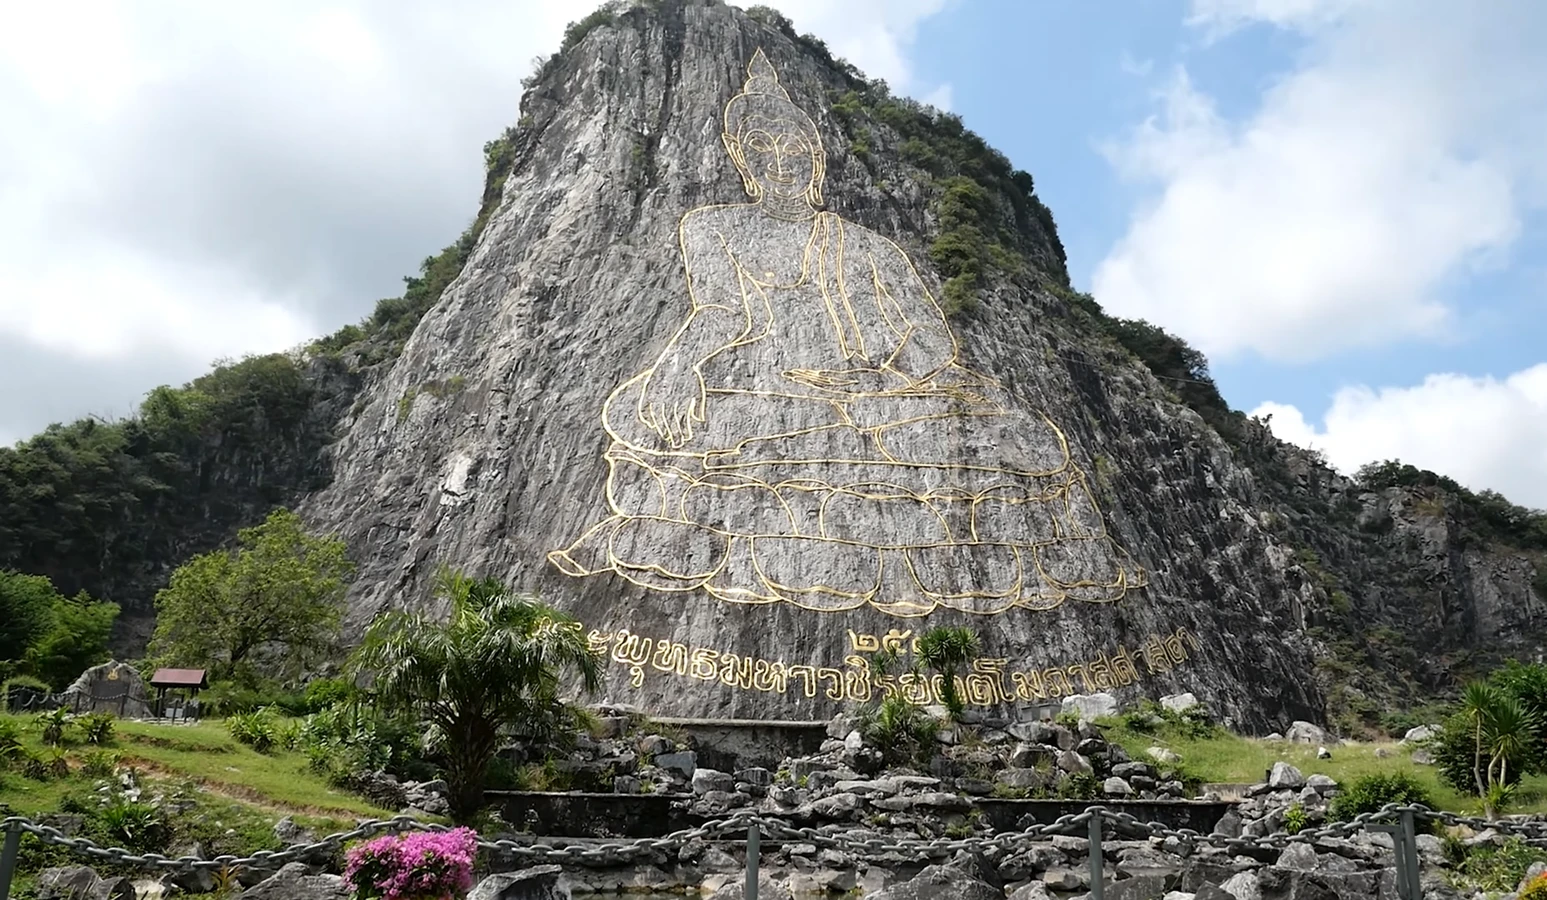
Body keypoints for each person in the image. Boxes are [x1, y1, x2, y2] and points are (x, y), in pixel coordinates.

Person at [550, 50, 1144, 616]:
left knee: (1017, 436)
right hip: (768, 391)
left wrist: (882, 377)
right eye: (761, 150)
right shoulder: (714, 227)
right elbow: (722, 312)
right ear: (740, 158)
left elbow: (933, 338)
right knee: (674, 418)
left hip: (883, 398)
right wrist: (678, 365)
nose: (779, 162)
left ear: (816, 158)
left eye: (793, 148)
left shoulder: (867, 245)